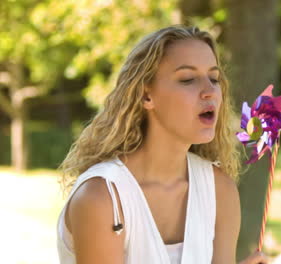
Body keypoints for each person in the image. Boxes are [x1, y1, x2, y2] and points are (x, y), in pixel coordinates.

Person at [56, 25, 269, 264]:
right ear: (147, 95)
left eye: (214, 78)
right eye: (188, 79)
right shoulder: (102, 198)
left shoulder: (220, 191)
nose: (209, 91)